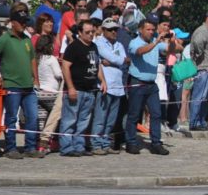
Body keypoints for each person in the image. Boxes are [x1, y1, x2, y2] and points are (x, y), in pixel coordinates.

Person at [0, 7, 43, 158]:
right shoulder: (5, 39)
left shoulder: (26, 39)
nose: (24, 24)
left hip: (28, 85)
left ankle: (30, 147)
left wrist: (36, 78)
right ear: (13, 23)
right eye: (20, 22)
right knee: (11, 118)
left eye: (25, 22)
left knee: (32, 116)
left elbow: (32, 59)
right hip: (12, 85)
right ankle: (11, 148)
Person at [58, 19, 106, 157]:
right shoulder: (74, 47)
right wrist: (71, 87)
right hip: (76, 89)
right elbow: (65, 66)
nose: (91, 34)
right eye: (87, 32)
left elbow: (97, 65)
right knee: (69, 120)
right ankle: (66, 147)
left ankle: (79, 146)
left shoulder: (94, 47)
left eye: (92, 32)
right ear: (80, 32)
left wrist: (102, 80)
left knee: (83, 122)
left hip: (90, 90)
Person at [126, 18, 173, 155]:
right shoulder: (134, 42)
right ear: (141, 30)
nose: (151, 32)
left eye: (153, 30)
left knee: (156, 113)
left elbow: (170, 50)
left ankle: (156, 143)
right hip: (138, 82)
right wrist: (157, 42)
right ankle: (131, 142)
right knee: (134, 114)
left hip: (152, 84)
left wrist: (172, 41)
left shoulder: (154, 41)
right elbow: (140, 52)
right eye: (148, 30)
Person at [93, 18, 128, 154]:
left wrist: (115, 61)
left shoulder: (119, 44)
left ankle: (106, 143)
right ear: (103, 30)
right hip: (105, 85)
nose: (114, 32)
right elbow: (117, 59)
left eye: (115, 29)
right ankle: (96, 144)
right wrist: (117, 61)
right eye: (110, 29)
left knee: (111, 119)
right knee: (100, 117)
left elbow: (124, 60)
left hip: (118, 87)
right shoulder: (99, 43)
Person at [33, 15, 62, 152]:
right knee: (56, 115)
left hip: (40, 92)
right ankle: (52, 142)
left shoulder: (38, 59)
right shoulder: (51, 59)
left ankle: (39, 144)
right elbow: (58, 74)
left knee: (41, 118)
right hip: (52, 92)